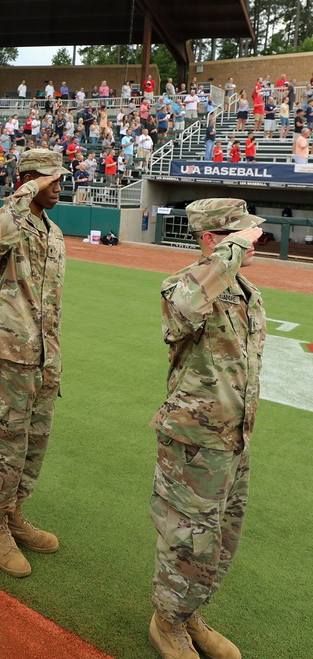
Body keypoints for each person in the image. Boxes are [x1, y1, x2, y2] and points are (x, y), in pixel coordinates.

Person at [147, 199, 266, 659]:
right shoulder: (182, 287)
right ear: (211, 240)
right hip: (193, 444)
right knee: (188, 538)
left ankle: (189, 612)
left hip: (233, 440)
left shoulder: (246, 292)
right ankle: (166, 622)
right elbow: (187, 306)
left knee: (221, 538)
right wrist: (230, 253)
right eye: (238, 235)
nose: (251, 241)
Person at [0, 149, 70, 578]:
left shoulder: (53, 230)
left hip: (46, 356)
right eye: (52, 180)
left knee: (35, 443)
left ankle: (15, 513)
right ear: (30, 180)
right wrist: (22, 193)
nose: (60, 186)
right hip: (13, 354)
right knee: (8, 441)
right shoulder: (8, 222)